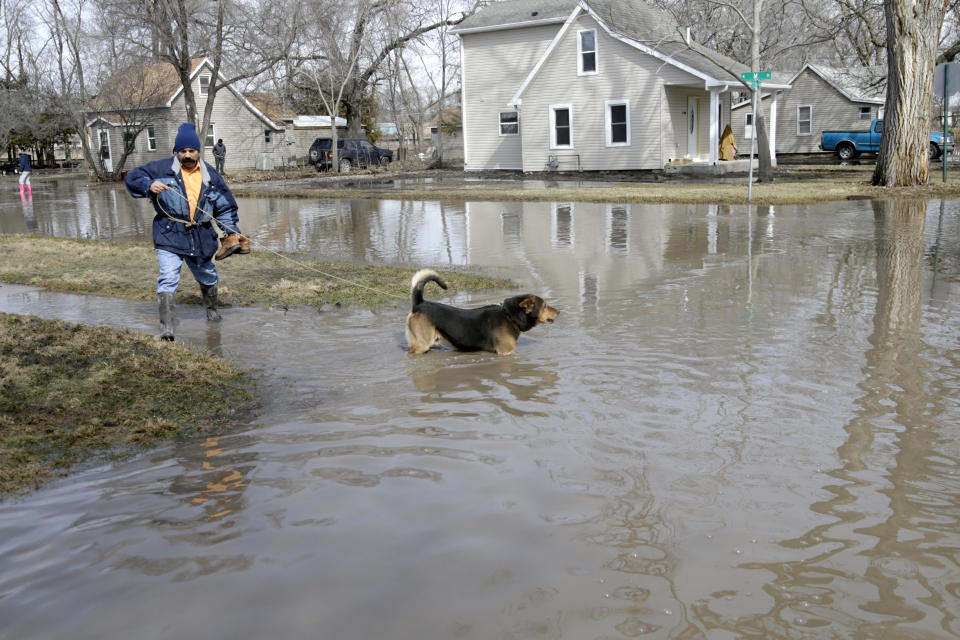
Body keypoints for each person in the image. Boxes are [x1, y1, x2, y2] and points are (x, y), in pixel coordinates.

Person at [124, 123, 249, 341]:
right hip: (169, 233)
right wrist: (148, 185)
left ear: (198, 151)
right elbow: (132, 178)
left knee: (207, 275)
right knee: (169, 277)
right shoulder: (160, 169)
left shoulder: (211, 176)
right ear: (176, 152)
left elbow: (225, 207)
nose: (187, 155)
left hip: (200, 235)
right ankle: (167, 330)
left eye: (191, 151)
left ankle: (212, 312)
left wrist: (232, 233)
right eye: (183, 151)